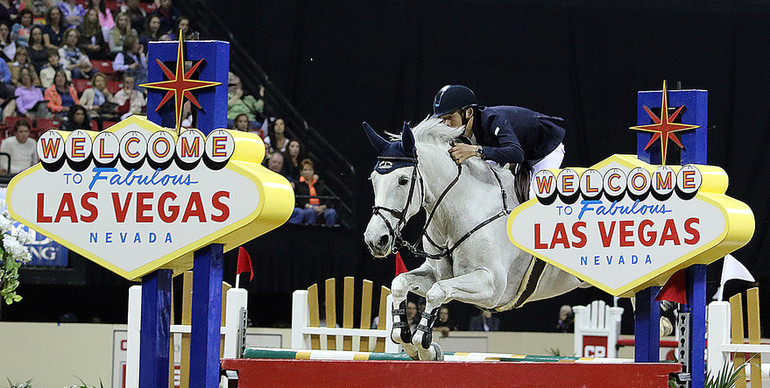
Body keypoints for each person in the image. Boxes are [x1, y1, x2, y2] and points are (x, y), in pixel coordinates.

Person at [433, 85, 566, 200]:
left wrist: (475, 150)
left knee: (534, 197)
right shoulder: (461, 131)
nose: (446, 124)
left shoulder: (492, 119)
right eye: (442, 119)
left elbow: (517, 154)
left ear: (468, 112)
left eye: (450, 117)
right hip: (519, 150)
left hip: (545, 150)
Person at [290, 158, 338, 227]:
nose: (308, 172)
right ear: (301, 172)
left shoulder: (320, 184)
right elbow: (299, 200)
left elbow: (327, 198)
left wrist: (323, 207)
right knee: (310, 212)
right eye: (305, 170)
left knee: (332, 212)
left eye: (310, 170)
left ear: (313, 171)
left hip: (321, 207)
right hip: (307, 208)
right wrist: (312, 207)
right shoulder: (297, 184)